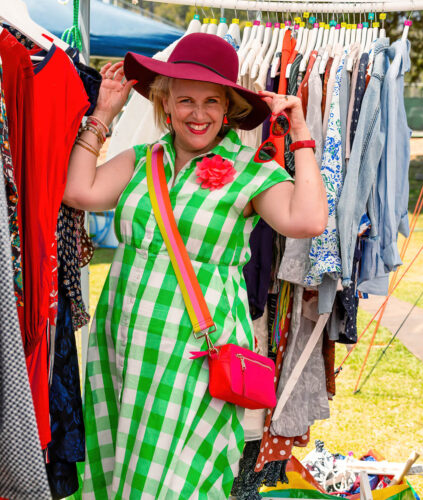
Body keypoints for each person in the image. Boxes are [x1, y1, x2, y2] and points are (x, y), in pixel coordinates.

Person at [63, 33, 327, 499]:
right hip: (124, 336)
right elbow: (79, 192)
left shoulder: (251, 169)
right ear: (165, 103)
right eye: (185, 99)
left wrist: (301, 134)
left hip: (197, 346)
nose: (197, 113)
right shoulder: (141, 160)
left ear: (229, 108)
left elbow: (307, 221)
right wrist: (103, 114)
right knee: (121, 458)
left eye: (211, 101)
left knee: (180, 473)